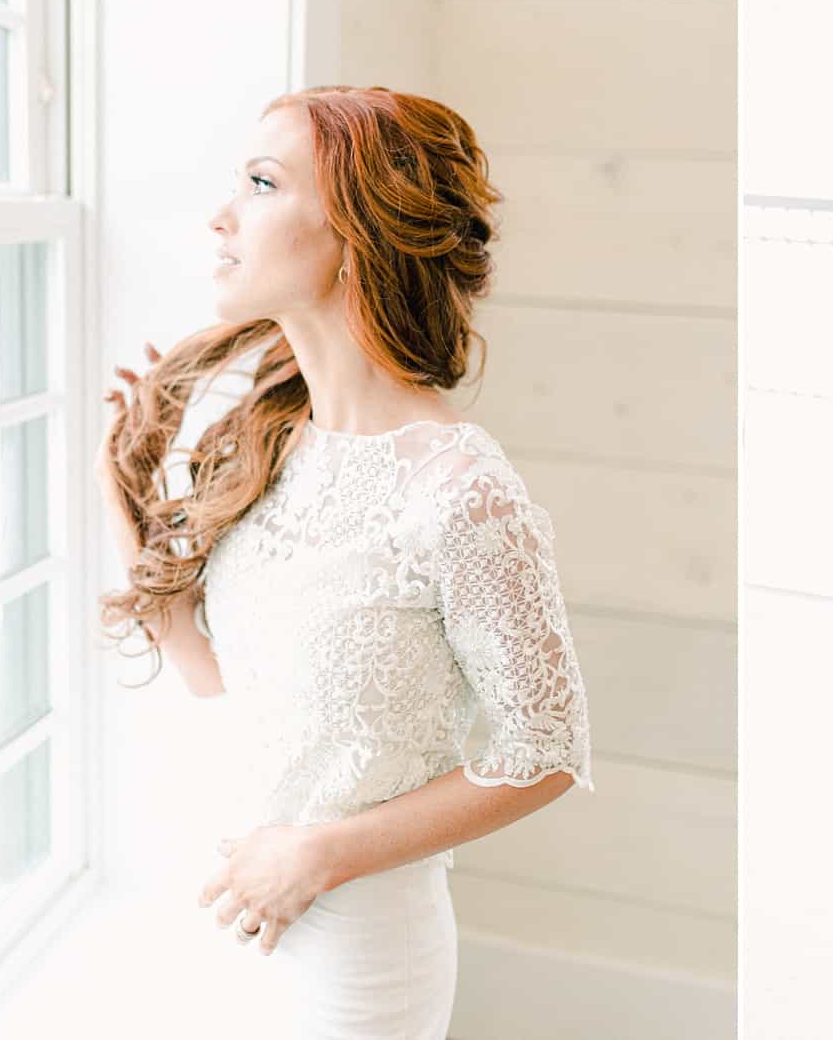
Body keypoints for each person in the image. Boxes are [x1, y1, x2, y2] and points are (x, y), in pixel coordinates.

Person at [93, 85, 592, 1038]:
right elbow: (210, 677)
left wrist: (319, 856)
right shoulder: (272, 440)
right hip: (228, 916)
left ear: (355, 229)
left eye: (262, 183)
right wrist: (118, 478)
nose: (222, 215)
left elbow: (546, 754)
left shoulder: (462, 492)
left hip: (358, 964)